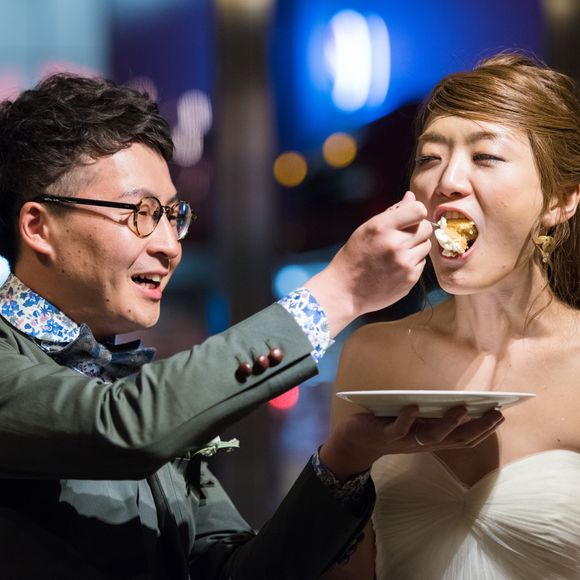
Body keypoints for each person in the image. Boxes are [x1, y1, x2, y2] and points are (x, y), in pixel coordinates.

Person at [0, 73, 504, 580]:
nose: (169, 245)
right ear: (38, 227)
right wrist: (339, 293)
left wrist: (346, 459)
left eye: (172, 215)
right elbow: (124, 425)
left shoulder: (130, 379)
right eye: (141, 213)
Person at [329, 51, 580, 580]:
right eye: (429, 158)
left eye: (485, 156)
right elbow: (346, 565)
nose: (447, 181)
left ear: (560, 200)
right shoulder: (372, 356)